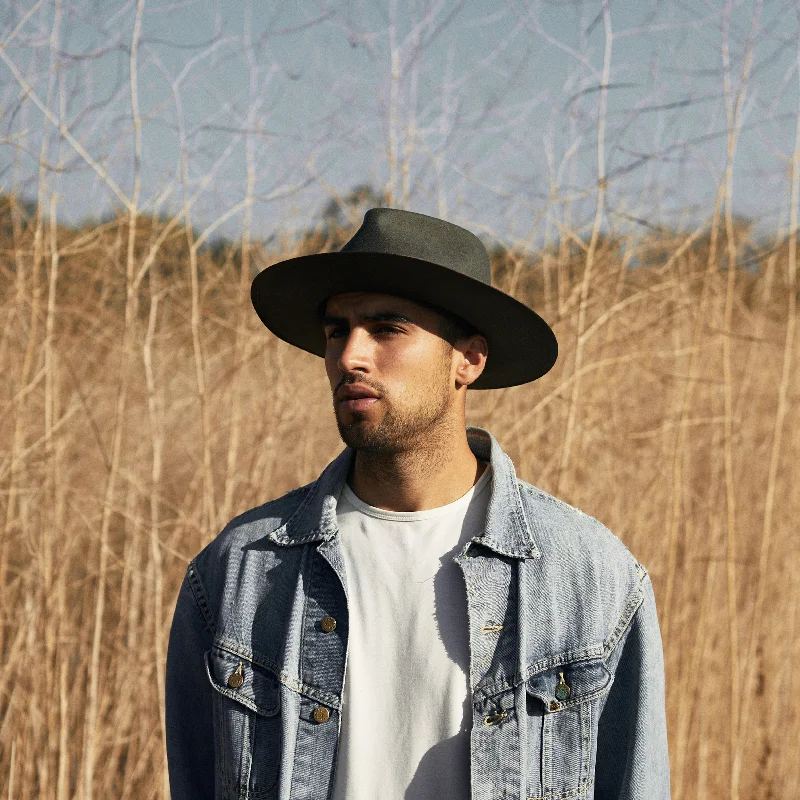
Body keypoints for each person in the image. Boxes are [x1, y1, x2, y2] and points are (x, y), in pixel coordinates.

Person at [165, 208, 670, 800]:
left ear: (468, 360)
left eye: (387, 328)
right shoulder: (239, 571)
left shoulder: (589, 578)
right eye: (337, 330)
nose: (350, 355)